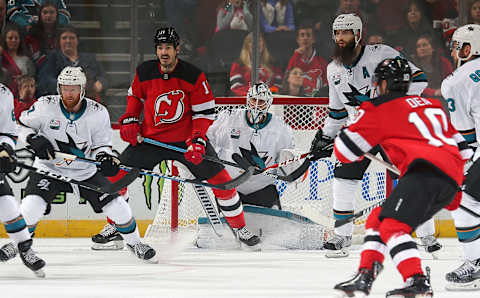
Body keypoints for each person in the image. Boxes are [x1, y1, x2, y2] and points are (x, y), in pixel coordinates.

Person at [102, 27, 261, 250]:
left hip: (185, 142)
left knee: (223, 183)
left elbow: (205, 113)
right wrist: (129, 119)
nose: (163, 52)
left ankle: (239, 229)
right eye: (160, 48)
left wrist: (197, 139)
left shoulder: (193, 75)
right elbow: (135, 97)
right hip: (150, 141)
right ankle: (117, 228)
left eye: (168, 47)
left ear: (177, 49)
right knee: (115, 179)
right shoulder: (145, 71)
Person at [331, 57, 471, 298]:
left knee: (394, 226)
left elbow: (344, 154)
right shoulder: (432, 105)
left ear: (382, 84)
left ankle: (417, 281)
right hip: (450, 177)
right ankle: (365, 275)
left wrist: (352, 125)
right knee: (378, 218)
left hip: (424, 173)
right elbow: (464, 149)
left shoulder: (378, 108)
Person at [308, 13, 442, 258]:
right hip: (360, 130)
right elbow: (337, 112)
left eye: (346, 32)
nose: (340, 37)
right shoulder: (333, 69)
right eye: (337, 33)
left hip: (393, 128)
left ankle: (426, 235)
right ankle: (343, 235)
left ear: (358, 34)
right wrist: (325, 137)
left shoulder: (381, 54)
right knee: (343, 176)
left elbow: (419, 80)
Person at [11, 66, 156, 262]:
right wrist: (32, 138)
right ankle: (18, 244)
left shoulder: (98, 113)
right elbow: (19, 125)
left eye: (73, 88)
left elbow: (101, 145)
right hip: (49, 168)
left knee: (117, 205)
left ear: (82, 89)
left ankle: (135, 242)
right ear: (59, 87)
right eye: (65, 88)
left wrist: (104, 158)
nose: (68, 93)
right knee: (31, 206)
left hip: (84, 171)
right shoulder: (45, 106)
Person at [440, 24, 480, 291]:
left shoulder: (456, 81)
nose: (454, 51)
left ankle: (474, 262)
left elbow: (467, 139)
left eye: (457, 45)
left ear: (468, 49)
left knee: (466, 199)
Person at [0, 83, 46, 277]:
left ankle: (25, 249)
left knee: (7, 204)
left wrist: (5, 149)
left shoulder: (2, 93)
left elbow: (7, 131)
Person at [36, 26, 107, 101]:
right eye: (64, 38)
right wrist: (68, 86)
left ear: (77, 40)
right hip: (61, 101)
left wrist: (100, 83)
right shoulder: (52, 58)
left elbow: (103, 76)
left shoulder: (90, 58)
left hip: (88, 99)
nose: (68, 41)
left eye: (72, 38)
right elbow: (45, 80)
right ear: (59, 41)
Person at [286, 21, 328, 96]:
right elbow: (287, 85)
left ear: (314, 39)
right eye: (302, 35)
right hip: (297, 102)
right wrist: (296, 55)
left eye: (308, 35)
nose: (305, 38)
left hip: (317, 103)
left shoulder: (322, 62)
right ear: (298, 40)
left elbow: (327, 87)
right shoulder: (293, 59)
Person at [0, 24, 35, 97]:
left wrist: (22, 79)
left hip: (21, 99)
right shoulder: (1, 57)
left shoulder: (26, 60)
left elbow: (32, 79)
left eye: (16, 38)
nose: (13, 40)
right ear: (5, 40)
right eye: (10, 38)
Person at [25, 2, 61, 68]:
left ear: (56, 15)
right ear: (40, 15)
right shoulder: (32, 33)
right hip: (37, 66)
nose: (48, 15)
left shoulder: (62, 33)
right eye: (45, 12)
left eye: (52, 12)